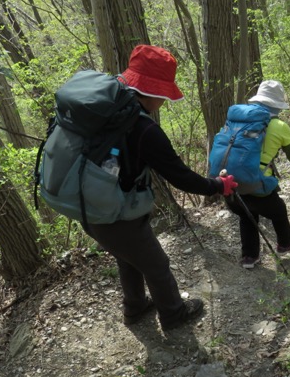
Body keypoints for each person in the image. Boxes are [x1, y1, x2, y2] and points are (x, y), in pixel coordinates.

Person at [86, 45, 237, 331]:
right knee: (156, 265)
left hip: (87, 203)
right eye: (164, 93)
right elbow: (180, 177)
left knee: (127, 255)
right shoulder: (143, 129)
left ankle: (135, 307)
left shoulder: (106, 105)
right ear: (153, 92)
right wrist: (217, 185)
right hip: (116, 211)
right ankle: (173, 314)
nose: (165, 100)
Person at [225, 80, 290, 269]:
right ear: (277, 105)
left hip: (229, 184)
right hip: (257, 187)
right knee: (278, 210)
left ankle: (249, 257)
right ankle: (285, 244)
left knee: (247, 215)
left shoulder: (238, 121)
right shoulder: (279, 126)